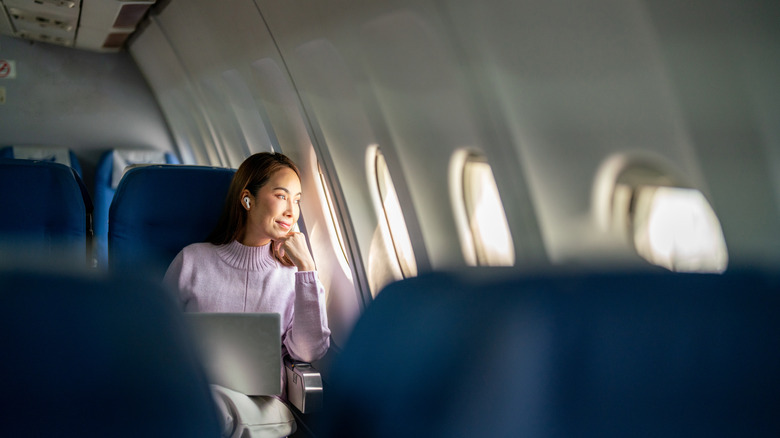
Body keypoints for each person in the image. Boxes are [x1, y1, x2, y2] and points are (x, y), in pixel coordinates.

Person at [163, 152, 330, 397]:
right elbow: (157, 336)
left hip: (263, 411)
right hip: (197, 398)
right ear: (247, 200)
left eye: (297, 200)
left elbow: (309, 352)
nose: (291, 212)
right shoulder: (192, 261)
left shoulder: (294, 277)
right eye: (281, 196)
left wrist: (306, 267)